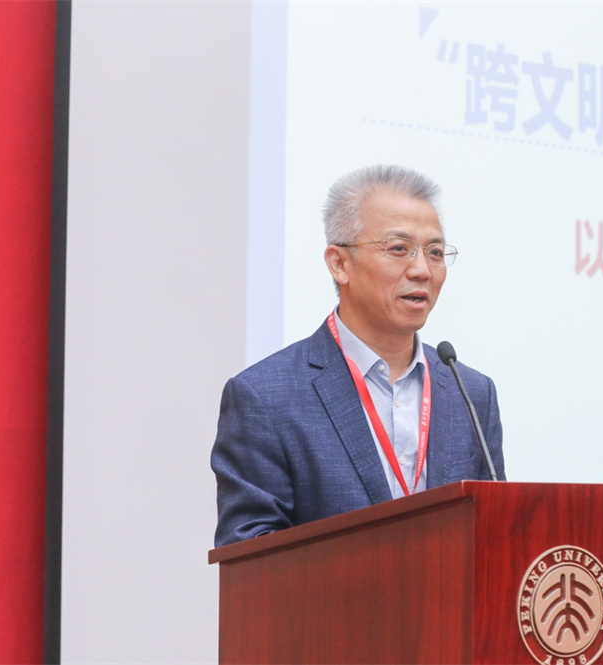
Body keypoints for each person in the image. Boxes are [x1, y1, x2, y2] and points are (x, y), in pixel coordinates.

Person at [211, 165, 505, 547]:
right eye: (398, 249)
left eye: (435, 252)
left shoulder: (472, 393)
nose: (422, 270)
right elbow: (248, 556)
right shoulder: (265, 397)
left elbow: (496, 533)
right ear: (340, 263)